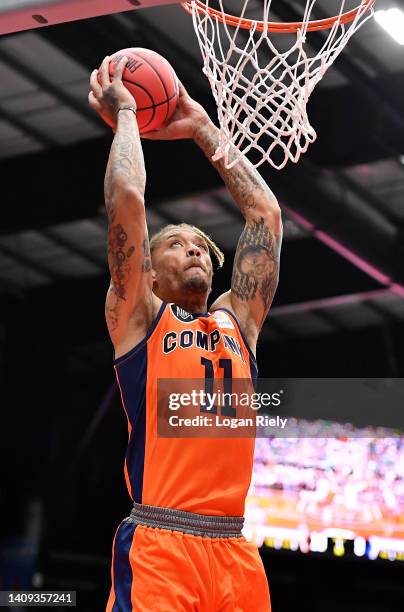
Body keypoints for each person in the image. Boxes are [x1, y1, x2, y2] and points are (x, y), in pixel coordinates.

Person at [89, 55, 282, 612]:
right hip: (160, 546)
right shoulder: (140, 319)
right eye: (176, 243)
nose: (194, 247)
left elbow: (264, 218)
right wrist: (127, 113)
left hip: (235, 550)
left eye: (200, 244)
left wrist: (200, 127)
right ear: (145, 272)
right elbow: (126, 198)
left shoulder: (236, 324)